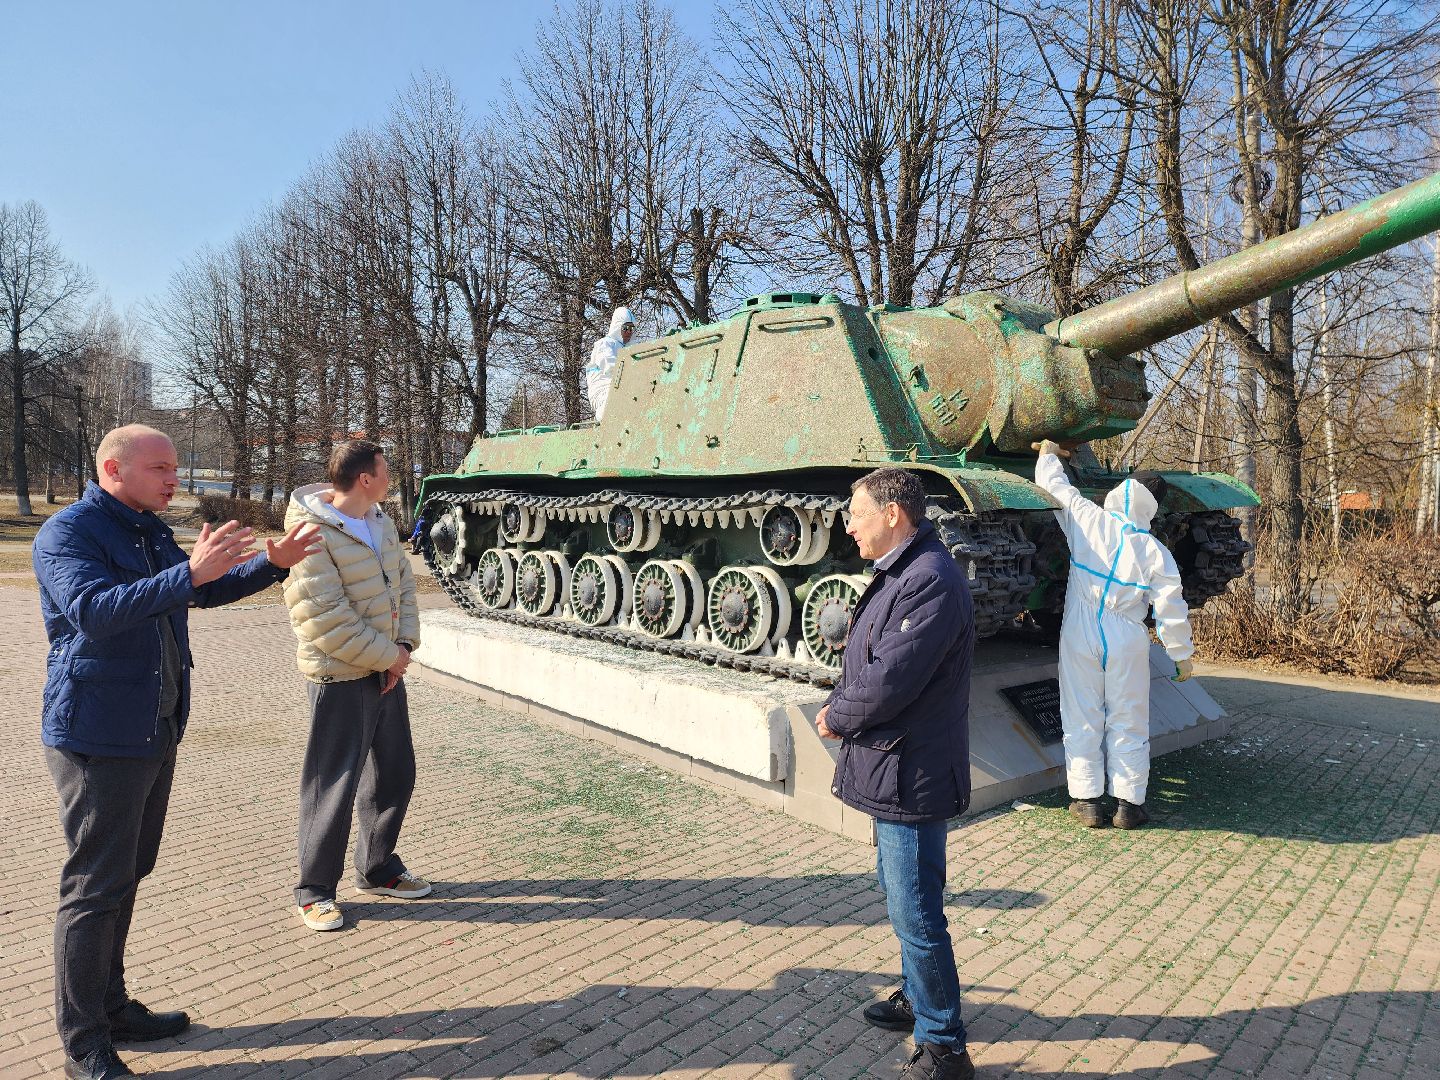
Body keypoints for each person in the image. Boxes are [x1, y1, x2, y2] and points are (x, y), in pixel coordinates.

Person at [33, 424, 321, 1080]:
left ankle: (112, 1007)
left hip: (152, 728)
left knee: (128, 873)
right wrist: (188, 571)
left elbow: (196, 589)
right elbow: (92, 610)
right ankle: (84, 1045)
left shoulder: (145, 528)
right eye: (160, 467)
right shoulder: (69, 533)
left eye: (174, 466)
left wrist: (267, 565)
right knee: (94, 887)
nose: (174, 477)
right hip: (97, 735)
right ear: (113, 468)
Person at [816, 467, 976, 1080]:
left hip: (912, 766)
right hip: (894, 762)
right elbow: (869, 656)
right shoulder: (902, 574)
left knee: (916, 908)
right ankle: (918, 995)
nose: (847, 525)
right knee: (901, 891)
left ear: (892, 515)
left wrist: (837, 716)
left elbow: (890, 679)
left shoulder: (928, 580)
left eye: (855, 513)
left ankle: (943, 1046)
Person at [282, 439, 426, 932]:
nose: (390, 477)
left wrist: (402, 645)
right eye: (385, 470)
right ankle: (314, 890)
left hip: (386, 669)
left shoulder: (378, 520)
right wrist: (390, 658)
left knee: (395, 773)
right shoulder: (309, 533)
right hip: (340, 676)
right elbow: (324, 620)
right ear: (365, 478)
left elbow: (404, 583)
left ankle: (377, 867)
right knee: (333, 787)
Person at [1030, 439, 1195, 830]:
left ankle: (1086, 801)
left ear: (1120, 492)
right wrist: (1181, 654)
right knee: (1129, 718)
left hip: (1080, 630)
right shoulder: (1156, 551)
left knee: (1081, 713)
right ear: (1151, 508)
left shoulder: (1089, 518)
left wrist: (1049, 455)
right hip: (1127, 635)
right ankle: (1128, 805)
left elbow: (1056, 487)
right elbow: (1171, 607)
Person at [585, 306, 635, 420]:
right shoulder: (605, 344)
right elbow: (611, 367)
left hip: (622, 388)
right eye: (625, 328)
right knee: (611, 407)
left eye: (631, 329)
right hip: (603, 389)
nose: (628, 332)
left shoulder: (629, 349)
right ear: (618, 327)